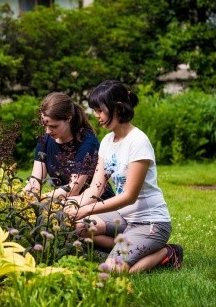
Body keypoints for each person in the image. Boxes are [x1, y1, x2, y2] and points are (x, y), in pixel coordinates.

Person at [69, 80, 183, 273]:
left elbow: (129, 196)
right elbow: (96, 187)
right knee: (79, 227)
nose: (96, 116)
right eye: (94, 110)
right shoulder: (106, 141)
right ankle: (129, 248)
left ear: (118, 108)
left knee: (114, 272)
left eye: (100, 110)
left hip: (150, 222)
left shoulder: (138, 141)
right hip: (124, 218)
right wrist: (74, 205)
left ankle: (167, 252)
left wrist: (87, 209)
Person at [23, 92, 115, 200]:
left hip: (95, 203)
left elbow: (73, 189)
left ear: (68, 119)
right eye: (45, 125)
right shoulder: (45, 140)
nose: (47, 131)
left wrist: (41, 199)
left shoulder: (87, 142)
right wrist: (27, 194)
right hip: (63, 204)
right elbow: (36, 180)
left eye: (54, 126)